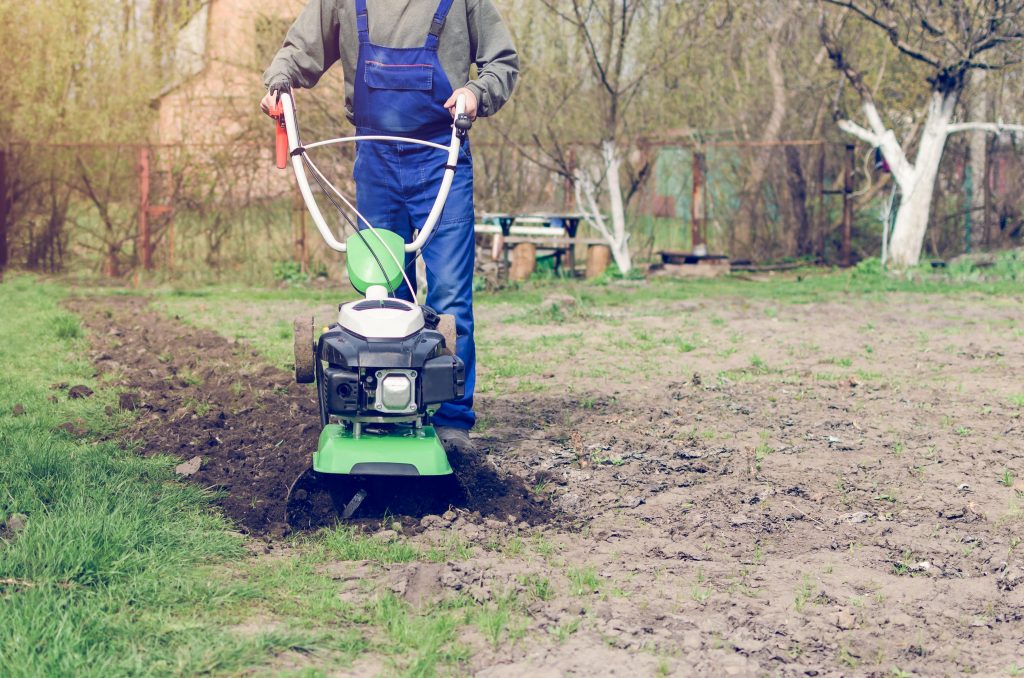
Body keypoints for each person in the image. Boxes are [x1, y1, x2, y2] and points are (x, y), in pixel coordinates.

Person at [261, 0, 518, 452]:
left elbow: (502, 62)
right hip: (375, 158)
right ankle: (386, 411)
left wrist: (476, 93)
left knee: (449, 299)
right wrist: (280, 81)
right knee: (384, 295)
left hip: (442, 158)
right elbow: (300, 47)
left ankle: (452, 420)